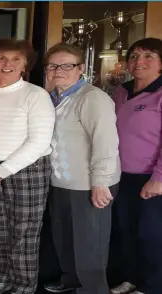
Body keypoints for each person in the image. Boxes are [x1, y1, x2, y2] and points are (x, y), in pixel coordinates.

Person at [0, 39, 55, 294]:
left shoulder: (36, 95)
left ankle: (23, 286)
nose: (7, 64)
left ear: (25, 66)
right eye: (1, 58)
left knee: (24, 233)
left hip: (27, 170)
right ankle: (2, 279)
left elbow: (39, 141)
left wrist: (0, 172)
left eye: (16, 59)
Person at [43, 43, 121, 294]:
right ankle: (72, 282)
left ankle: (93, 290)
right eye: (53, 65)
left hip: (89, 184)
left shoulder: (93, 98)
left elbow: (106, 142)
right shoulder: (51, 98)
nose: (58, 70)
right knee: (64, 240)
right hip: (60, 182)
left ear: (81, 69)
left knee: (90, 246)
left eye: (67, 65)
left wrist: (101, 182)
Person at [110, 37, 162, 294]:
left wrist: (158, 178)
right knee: (126, 231)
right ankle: (131, 278)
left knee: (152, 236)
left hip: (153, 178)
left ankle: (153, 286)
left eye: (149, 56)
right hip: (122, 175)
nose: (139, 61)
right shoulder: (121, 90)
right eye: (133, 56)